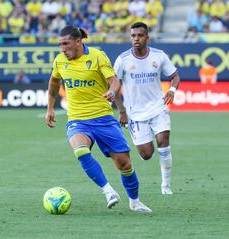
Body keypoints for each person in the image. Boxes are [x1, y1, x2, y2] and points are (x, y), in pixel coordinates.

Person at [45, 25, 152, 213]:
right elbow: (54, 83)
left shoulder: (97, 56)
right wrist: (50, 108)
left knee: (124, 164)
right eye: (60, 45)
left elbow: (115, 81)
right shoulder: (60, 61)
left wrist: (112, 91)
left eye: (66, 44)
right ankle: (109, 191)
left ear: (78, 42)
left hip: (103, 118)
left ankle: (134, 201)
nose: (62, 49)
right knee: (80, 150)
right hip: (78, 119)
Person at [114, 22, 180, 195]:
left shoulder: (159, 56)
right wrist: (122, 111)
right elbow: (114, 85)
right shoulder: (123, 60)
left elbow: (175, 76)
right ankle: (145, 148)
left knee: (163, 140)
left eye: (140, 35)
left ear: (147, 38)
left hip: (158, 107)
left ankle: (166, 185)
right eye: (133, 36)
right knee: (146, 154)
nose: (136, 39)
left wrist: (172, 90)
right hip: (135, 113)